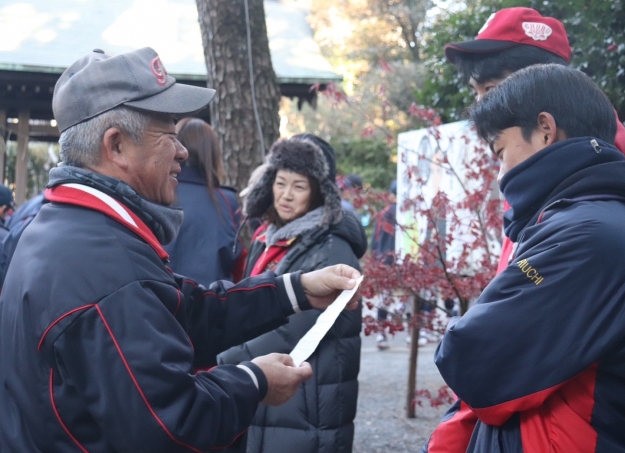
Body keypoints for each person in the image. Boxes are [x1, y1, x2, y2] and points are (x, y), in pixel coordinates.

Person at [0, 47, 362, 453]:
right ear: (116, 146)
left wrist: (295, 290)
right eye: (168, 133)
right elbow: (170, 426)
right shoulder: (105, 263)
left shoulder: (68, 228)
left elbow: (182, 310)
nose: (182, 151)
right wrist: (254, 382)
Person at [429, 64, 625, 452]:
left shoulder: (588, 232)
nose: (500, 174)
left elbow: (472, 357)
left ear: (545, 129)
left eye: (501, 151)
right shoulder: (602, 217)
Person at [443, 6, 625, 275]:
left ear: (541, 79)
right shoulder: (533, 159)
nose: (481, 106)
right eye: (476, 92)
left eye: (492, 89)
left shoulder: (593, 152)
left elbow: (537, 280)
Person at [217, 134, 367, 453]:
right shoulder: (270, 238)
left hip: (309, 399)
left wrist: (223, 359)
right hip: (273, 384)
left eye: (299, 186)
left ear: (318, 193)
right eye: (280, 183)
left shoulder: (331, 248)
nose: (286, 195)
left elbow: (293, 330)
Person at [163, 117, 245, 284]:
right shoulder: (227, 201)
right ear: (212, 153)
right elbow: (238, 262)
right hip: (214, 297)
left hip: (160, 296)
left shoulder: (156, 193)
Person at [371, 180, 397, 349]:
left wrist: (376, 260)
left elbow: (376, 239)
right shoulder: (408, 213)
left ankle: (381, 333)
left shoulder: (385, 213)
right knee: (408, 299)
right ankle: (414, 335)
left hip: (385, 261)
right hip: (406, 261)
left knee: (384, 298)